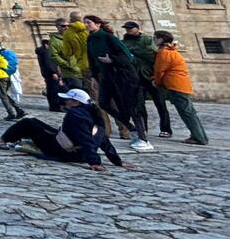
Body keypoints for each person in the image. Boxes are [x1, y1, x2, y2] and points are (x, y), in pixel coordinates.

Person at [0, 88, 136, 172]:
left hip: (66, 152)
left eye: (68, 99)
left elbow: (85, 138)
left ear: (75, 102)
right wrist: (117, 161)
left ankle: (1, 141)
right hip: (78, 152)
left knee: (27, 123)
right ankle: (14, 140)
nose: (65, 101)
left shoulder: (75, 115)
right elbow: (103, 139)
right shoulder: (94, 114)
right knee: (35, 123)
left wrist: (94, 162)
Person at [83, 16, 153, 152]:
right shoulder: (90, 39)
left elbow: (127, 56)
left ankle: (143, 138)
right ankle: (131, 128)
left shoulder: (108, 37)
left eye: (89, 23)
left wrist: (112, 60)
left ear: (97, 24)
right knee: (103, 103)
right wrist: (93, 75)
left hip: (123, 75)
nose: (86, 25)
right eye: (85, 23)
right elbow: (92, 59)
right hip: (106, 76)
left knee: (132, 107)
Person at [151, 31, 208, 145]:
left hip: (175, 85)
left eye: (156, 38)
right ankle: (200, 136)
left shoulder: (164, 52)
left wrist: (156, 82)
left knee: (186, 113)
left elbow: (159, 70)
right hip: (181, 84)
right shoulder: (172, 51)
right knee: (190, 112)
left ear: (161, 39)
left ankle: (198, 137)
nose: (154, 40)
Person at [121, 21, 172, 138]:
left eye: (131, 28)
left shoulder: (147, 40)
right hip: (136, 77)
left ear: (137, 29)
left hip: (151, 75)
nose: (128, 30)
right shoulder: (124, 42)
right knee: (139, 104)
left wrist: (134, 52)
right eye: (127, 28)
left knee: (160, 104)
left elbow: (153, 54)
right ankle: (143, 128)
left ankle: (166, 128)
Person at [0, 35, 26, 120]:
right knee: (5, 94)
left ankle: (11, 113)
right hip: (6, 73)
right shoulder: (1, 48)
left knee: (2, 96)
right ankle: (19, 110)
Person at [49, 16, 86, 91]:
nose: (66, 28)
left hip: (84, 71)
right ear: (57, 27)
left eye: (68, 26)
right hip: (71, 73)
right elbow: (54, 56)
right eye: (63, 26)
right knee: (78, 94)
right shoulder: (54, 40)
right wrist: (67, 64)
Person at [61, 13, 91, 95]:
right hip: (96, 61)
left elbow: (67, 52)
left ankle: (97, 106)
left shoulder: (68, 33)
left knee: (91, 88)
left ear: (71, 19)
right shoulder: (89, 28)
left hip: (83, 63)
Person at [35, 37, 63, 111]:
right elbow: (49, 63)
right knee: (54, 90)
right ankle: (56, 106)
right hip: (51, 74)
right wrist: (53, 72)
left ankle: (52, 106)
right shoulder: (46, 52)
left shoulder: (41, 52)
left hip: (46, 74)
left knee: (50, 90)